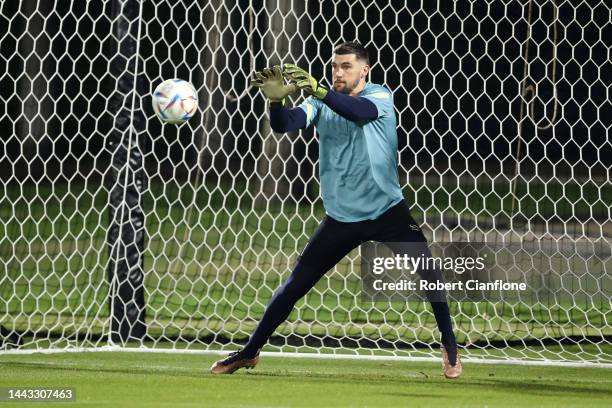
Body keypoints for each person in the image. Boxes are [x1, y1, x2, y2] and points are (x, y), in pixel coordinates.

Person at [210, 42, 462, 379]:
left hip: (388, 212)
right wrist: (275, 101)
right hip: (342, 218)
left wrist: (319, 88)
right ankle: (249, 351)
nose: (338, 72)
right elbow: (287, 123)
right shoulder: (320, 101)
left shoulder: (380, 97)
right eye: (334, 67)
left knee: (430, 275)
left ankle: (449, 345)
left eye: (346, 66)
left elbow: (359, 114)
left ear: (364, 70)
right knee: (293, 287)